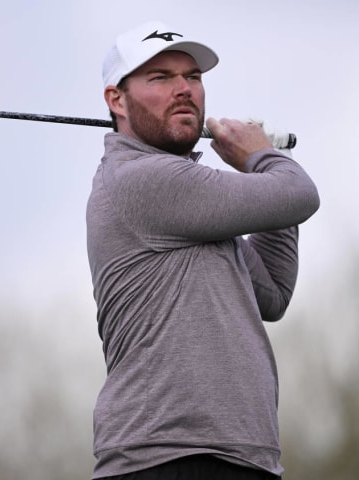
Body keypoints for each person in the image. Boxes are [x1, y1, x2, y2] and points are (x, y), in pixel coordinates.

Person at [85, 21, 320, 479]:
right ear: (117, 100)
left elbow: (272, 292)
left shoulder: (194, 209)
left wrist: (273, 160)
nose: (184, 90)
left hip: (237, 457)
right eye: (160, 78)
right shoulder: (141, 180)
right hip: (167, 457)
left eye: (192, 77)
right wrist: (261, 158)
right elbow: (299, 196)